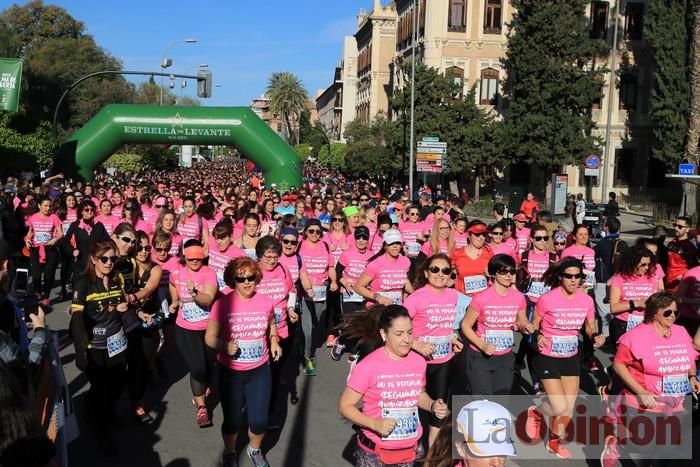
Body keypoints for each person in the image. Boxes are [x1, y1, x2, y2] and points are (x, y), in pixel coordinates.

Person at [337, 304, 448, 467]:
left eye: (410, 333)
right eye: (399, 334)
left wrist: (432, 405)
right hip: (375, 454)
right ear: (384, 334)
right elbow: (345, 406)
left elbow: (418, 394)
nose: (407, 339)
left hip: (409, 450)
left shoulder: (418, 361)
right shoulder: (368, 365)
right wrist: (375, 424)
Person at [601, 292, 700, 466]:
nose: (673, 317)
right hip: (644, 400)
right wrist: (641, 391)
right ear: (654, 312)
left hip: (673, 401)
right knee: (644, 445)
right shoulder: (637, 335)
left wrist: (692, 376)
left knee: (666, 448)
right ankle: (617, 444)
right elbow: (618, 364)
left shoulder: (681, 331)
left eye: (676, 312)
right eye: (667, 313)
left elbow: (689, 356)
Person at [525, 257, 605, 459]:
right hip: (547, 356)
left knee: (568, 409)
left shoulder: (586, 300)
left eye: (577, 276)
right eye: (569, 276)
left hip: (570, 356)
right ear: (561, 277)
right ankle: (536, 412)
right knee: (558, 405)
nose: (573, 280)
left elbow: (589, 326)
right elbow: (534, 324)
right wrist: (537, 335)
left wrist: (595, 335)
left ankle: (553, 442)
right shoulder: (548, 299)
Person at [205, 256, 282, 467]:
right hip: (231, 371)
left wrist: (274, 340)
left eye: (251, 277)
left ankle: (254, 450)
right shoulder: (222, 304)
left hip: (260, 369)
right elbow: (209, 337)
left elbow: (272, 325)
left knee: (259, 420)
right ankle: (230, 452)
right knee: (232, 420)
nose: (247, 282)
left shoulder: (266, 302)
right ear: (233, 281)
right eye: (241, 279)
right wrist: (224, 346)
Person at [69, 239, 129, 454]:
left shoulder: (117, 278)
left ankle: (95, 405)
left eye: (113, 258)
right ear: (94, 259)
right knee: (102, 388)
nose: (109, 263)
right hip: (93, 345)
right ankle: (103, 433)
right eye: (104, 259)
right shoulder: (83, 282)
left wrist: (126, 307)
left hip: (117, 342)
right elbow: (76, 319)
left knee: (118, 384)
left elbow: (120, 302)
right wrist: (79, 350)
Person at [402, 253, 460, 445]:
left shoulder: (454, 296)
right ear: (426, 273)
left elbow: (448, 324)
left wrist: (453, 338)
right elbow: (397, 328)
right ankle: (409, 446)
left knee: (439, 408)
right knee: (411, 405)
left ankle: (431, 460)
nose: (440, 274)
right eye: (435, 269)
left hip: (443, 361)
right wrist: (417, 344)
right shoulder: (416, 298)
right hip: (416, 360)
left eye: (445, 270)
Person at [461, 254, 529, 395]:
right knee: (483, 402)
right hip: (481, 356)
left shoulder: (519, 298)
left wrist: (526, 327)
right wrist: (482, 345)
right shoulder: (481, 298)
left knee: (500, 401)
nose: (508, 275)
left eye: (512, 271)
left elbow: (521, 322)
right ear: (493, 273)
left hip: (505, 357)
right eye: (503, 272)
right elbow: (466, 326)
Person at [169, 240, 219, 427]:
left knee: (209, 366)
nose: (195, 262)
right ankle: (201, 408)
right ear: (185, 258)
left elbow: (208, 299)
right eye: (191, 259)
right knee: (197, 367)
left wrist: (194, 293)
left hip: (209, 328)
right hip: (185, 328)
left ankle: (202, 391)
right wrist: (175, 300)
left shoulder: (209, 274)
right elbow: (173, 284)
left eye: (199, 258)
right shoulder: (178, 272)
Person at [127, 230, 162, 424]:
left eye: (147, 248)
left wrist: (130, 297)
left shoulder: (155, 268)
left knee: (143, 362)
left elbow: (149, 289)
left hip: (148, 321)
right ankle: (137, 402)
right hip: (127, 321)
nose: (143, 251)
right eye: (139, 248)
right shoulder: (124, 266)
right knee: (133, 365)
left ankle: (150, 371)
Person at [298, 219, 338, 375]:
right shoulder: (300, 246)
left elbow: (331, 267)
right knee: (308, 329)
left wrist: (333, 281)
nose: (314, 234)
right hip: (305, 292)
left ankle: (303, 344)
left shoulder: (325, 246)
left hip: (321, 293)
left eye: (318, 231)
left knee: (315, 328)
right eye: (311, 231)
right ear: (306, 231)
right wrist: (307, 288)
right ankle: (309, 359)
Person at [332, 225, 373, 360]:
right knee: (349, 322)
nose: (361, 240)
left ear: (368, 240)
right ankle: (341, 341)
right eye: (358, 237)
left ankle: (355, 349)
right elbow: (337, 272)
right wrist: (344, 282)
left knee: (360, 322)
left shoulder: (372, 256)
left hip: (363, 294)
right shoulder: (347, 253)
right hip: (348, 293)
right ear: (354, 239)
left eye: (364, 238)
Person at [354, 228, 413, 308]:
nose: (395, 246)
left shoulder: (405, 261)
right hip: (376, 309)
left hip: (396, 308)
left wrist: (415, 294)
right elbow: (358, 287)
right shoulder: (375, 264)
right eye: (391, 243)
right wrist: (378, 297)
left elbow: (404, 280)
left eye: (397, 243)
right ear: (385, 246)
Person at [593, 216, 628, 339]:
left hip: (604, 280)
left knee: (605, 310)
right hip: (619, 280)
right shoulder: (622, 243)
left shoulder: (603, 243)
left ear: (606, 227)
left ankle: (606, 336)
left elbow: (593, 255)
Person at [25, 195, 63, 306]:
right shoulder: (33, 217)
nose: (48, 208)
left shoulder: (54, 217)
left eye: (49, 206)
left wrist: (54, 240)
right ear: (39, 206)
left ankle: (46, 296)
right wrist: (27, 239)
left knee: (48, 274)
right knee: (36, 275)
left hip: (50, 249)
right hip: (36, 249)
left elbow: (61, 233)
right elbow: (30, 232)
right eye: (45, 206)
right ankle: (37, 293)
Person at [207, 220, 246, 295]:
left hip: (227, 294)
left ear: (231, 237)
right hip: (210, 290)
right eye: (217, 238)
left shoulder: (240, 254)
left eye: (222, 239)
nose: (219, 242)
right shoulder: (211, 246)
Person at [666, 216, 697, 291]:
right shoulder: (671, 243)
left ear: (687, 229)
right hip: (668, 282)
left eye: (680, 226)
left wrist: (683, 276)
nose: (676, 228)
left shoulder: (690, 247)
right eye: (675, 225)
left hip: (680, 285)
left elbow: (694, 267)